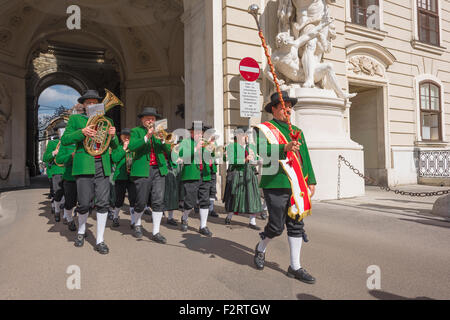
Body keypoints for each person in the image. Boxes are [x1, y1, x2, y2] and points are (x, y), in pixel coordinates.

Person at [253, 91, 317, 284]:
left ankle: (295, 266)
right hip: (275, 183)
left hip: (297, 183)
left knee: (296, 223)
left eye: (289, 106)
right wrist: (284, 148)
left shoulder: (297, 130)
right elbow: (262, 152)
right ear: (273, 109)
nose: (287, 109)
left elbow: (304, 156)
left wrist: (311, 180)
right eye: (282, 106)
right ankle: (261, 247)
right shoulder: (264, 129)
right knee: (276, 226)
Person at [61, 89, 119, 255]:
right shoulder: (76, 119)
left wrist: (114, 136)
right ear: (84, 105)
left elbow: (114, 146)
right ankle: (81, 231)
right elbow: (65, 140)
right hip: (84, 164)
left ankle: (100, 239)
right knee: (84, 203)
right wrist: (82, 132)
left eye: (95, 102)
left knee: (103, 203)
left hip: (102, 164)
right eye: (88, 103)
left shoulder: (107, 120)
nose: (92, 105)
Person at [128, 107, 170, 244]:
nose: (150, 121)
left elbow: (169, 152)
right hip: (142, 170)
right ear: (142, 120)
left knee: (158, 200)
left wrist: (164, 141)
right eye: (147, 119)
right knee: (141, 200)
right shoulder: (136, 131)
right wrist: (147, 136)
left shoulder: (160, 132)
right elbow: (132, 147)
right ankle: (138, 223)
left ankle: (156, 231)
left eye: (152, 118)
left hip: (159, 169)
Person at [178, 122, 213, 237]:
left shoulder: (206, 143)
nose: (199, 134)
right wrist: (196, 148)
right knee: (190, 200)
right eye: (196, 132)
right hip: (191, 174)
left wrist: (211, 150)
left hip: (205, 174)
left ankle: (203, 226)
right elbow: (183, 156)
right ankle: (185, 217)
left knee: (205, 200)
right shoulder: (186, 142)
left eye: (201, 132)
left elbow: (214, 157)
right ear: (191, 133)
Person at [223, 127, 262, 230]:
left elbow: (256, 159)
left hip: (250, 174)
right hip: (238, 174)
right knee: (235, 196)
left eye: (245, 135)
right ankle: (229, 216)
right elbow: (232, 160)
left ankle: (252, 221)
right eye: (241, 135)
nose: (244, 137)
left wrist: (257, 160)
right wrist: (244, 159)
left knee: (252, 196)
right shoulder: (232, 147)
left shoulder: (252, 147)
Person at [111, 128, 137, 228]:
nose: (126, 137)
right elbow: (115, 158)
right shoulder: (117, 147)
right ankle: (115, 217)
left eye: (128, 136)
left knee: (133, 199)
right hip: (120, 176)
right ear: (121, 137)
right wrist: (124, 148)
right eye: (124, 136)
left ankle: (133, 221)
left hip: (132, 176)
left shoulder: (134, 147)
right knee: (119, 199)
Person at [43, 123, 66, 223]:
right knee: (58, 193)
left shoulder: (70, 143)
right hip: (57, 171)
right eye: (61, 130)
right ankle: (57, 210)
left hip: (68, 171)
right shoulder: (53, 143)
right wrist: (53, 153)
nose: (63, 131)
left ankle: (66, 216)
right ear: (57, 131)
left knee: (69, 194)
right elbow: (45, 158)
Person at [55, 138, 78, 232]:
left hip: (85, 176)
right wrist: (70, 156)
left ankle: (82, 227)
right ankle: (69, 219)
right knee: (70, 202)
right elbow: (59, 159)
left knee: (85, 203)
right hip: (70, 176)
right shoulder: (65, 144)